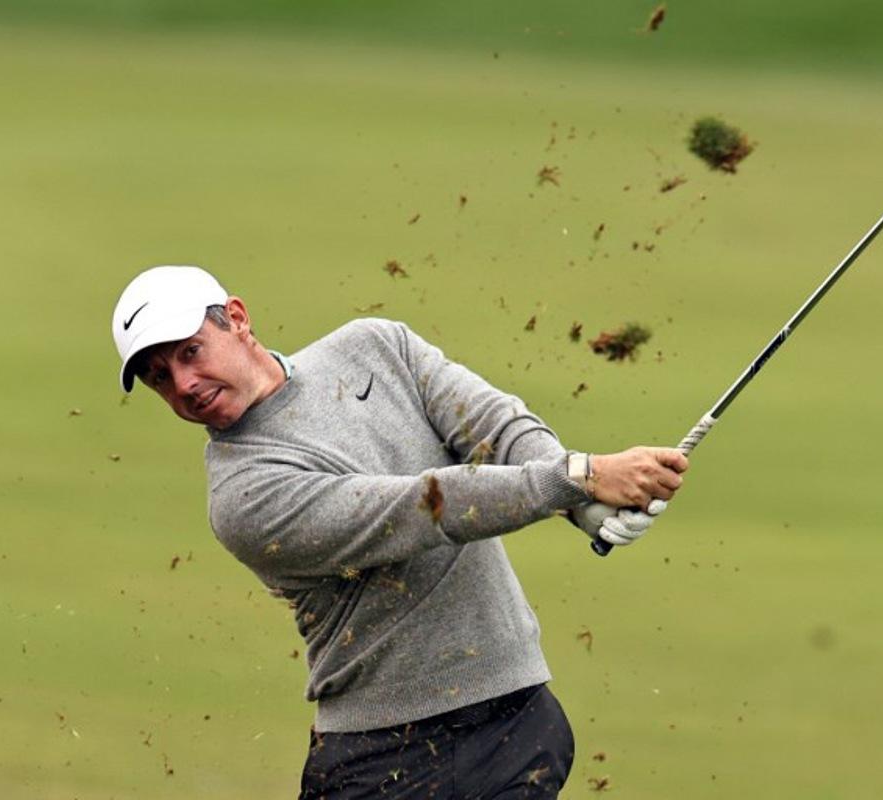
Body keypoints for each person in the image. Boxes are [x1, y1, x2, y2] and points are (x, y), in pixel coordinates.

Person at [111, 265, 688, 799]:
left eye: (190, 353)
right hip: (385, 762)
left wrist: (581, 505)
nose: (184, 384)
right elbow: (423, 508)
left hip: (517, 721)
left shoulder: (375, 347)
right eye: (161, 377)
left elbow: (493, 425)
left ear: (236, 319)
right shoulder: (244, 497)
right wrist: (581, 478)